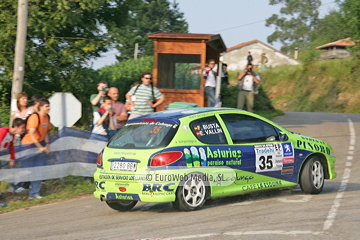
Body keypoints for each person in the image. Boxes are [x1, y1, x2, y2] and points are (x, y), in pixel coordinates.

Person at [21, 98, 51, 200]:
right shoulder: (35, 117)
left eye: (49, 106)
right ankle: (14, 185)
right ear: (41, 107)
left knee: (38, 170)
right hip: (29, 145)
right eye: (47, 106)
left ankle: (34, 193)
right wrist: (40, 147)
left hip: (40, 143)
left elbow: (46, 132)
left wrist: (47, 145)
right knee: (26, 170)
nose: (49, 108)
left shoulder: (47, 117)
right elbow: (32, 134)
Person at [0, 119, 25, 193]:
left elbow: (11, 146)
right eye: (22, 127)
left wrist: (12, 158)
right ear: (16, 127)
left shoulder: (12, 135)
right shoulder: (4, 131)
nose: (23, 130)